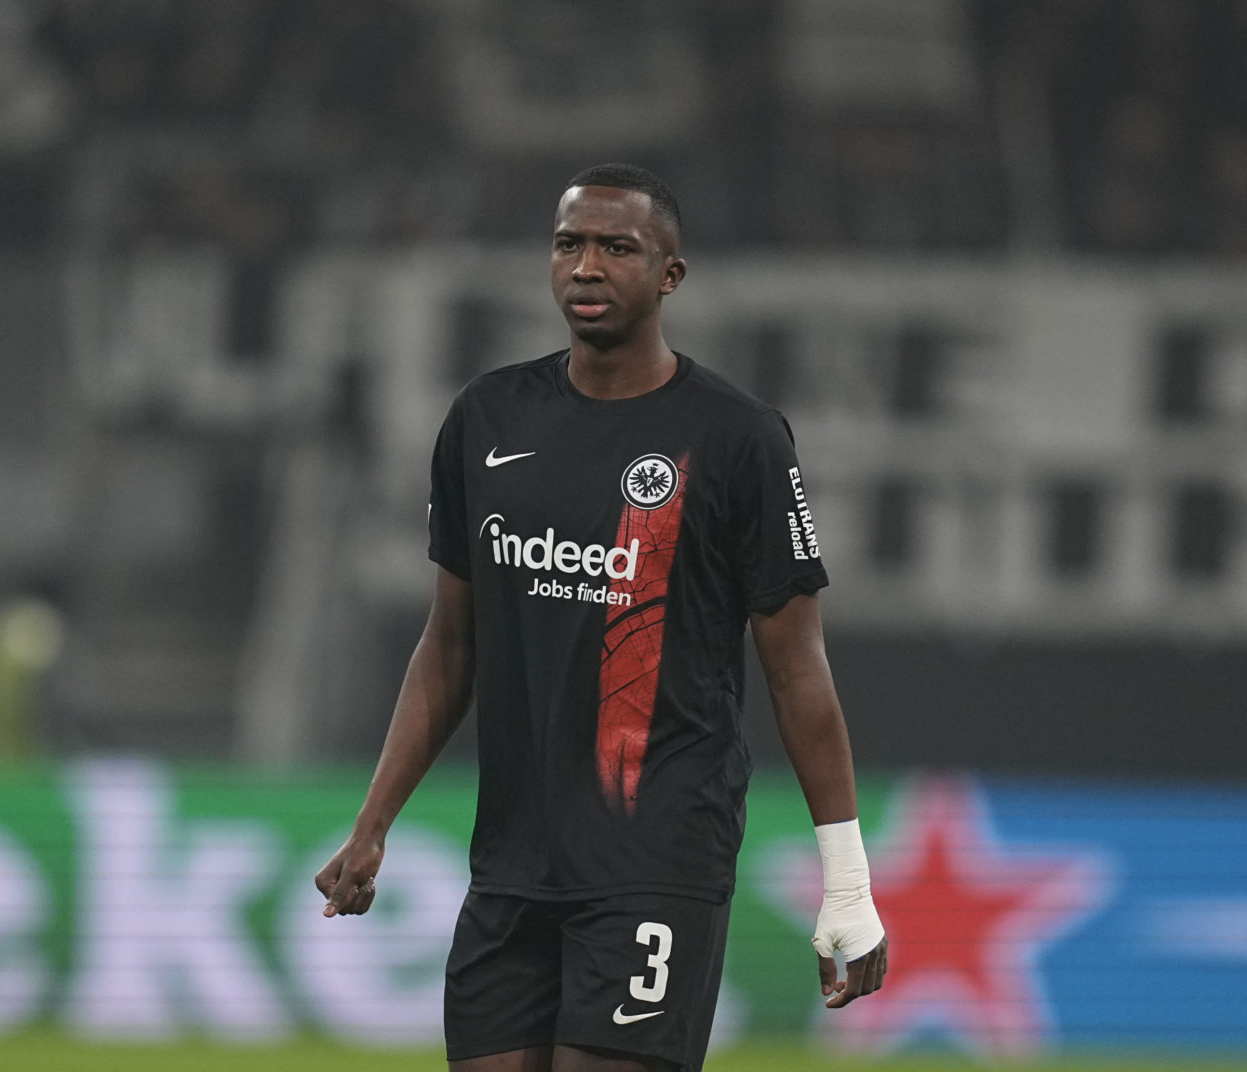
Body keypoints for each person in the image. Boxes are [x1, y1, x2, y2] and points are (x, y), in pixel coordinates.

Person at [316, 163, 887, 1072]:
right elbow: (449, 645)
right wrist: (374, 822)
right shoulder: (486, 418)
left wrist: (848, 884)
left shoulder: (738, 440)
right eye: (569, 243)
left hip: (656, 857)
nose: (587, 266)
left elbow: (797, 669)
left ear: (669, 276)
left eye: (617, 248)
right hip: (511, 863)